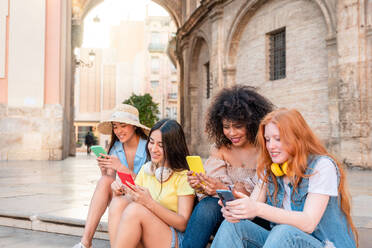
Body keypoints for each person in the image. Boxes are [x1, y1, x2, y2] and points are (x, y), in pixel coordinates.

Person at [211, 108, 358, 248]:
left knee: (284, 231)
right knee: (234, 226)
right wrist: (237, 210)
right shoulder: (270, 168)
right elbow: (252, 206)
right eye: (268, 139)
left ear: (297, 138)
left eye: (278, 139)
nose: (271, 146)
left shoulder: (322, 166)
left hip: (323, 244)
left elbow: (309, 222)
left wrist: (257, 208)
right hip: (283, 241)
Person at [182, 85, 274, 248]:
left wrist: (221, 188)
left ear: (252, 123)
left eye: (238, 126)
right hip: (224, 214)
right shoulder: (220, 150)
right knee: (207, 205)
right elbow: (212, 191)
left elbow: (255, 196)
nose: (231, 133)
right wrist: (202, 185)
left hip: (257, 217)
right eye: (226, 127)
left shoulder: (267, 149)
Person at [73, 104, 150, 248]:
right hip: (123, 195)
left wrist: (121, 167)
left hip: (143, 199)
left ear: (134, 126)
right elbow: (111, 179)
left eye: (123, 125)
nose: (118, 131)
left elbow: (149, 185)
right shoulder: (116, 147)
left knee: (111, 187)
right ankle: (85, 242)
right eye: (115, 126)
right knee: (104, 181)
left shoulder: (149, 147)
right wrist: (105, 170)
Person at [109, 119, 195, 248]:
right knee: (118, 202)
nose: (153, 149)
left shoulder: (185, 176)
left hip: (173, 238)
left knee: (135, 210)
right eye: (151, 142)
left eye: (161, 145)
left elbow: (183, 223)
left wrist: (149, 203)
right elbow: (130, 204)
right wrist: (118, 192)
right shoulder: (146, 169)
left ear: (173, 147)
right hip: (146, 231)